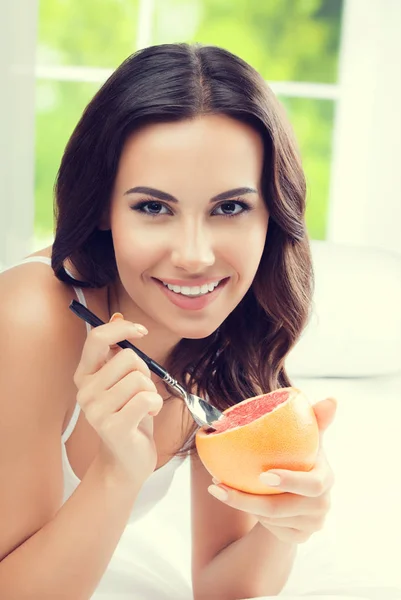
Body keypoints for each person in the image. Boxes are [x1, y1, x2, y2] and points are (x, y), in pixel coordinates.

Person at [0, 42, 337, 599]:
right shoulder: (33, 316)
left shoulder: (228, 335)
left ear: (272, 213)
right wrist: (117, 473)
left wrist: (287, 520)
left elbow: (222, 586)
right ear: (104, 207)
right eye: (153, 207)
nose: (195, 256)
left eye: (229, 208)